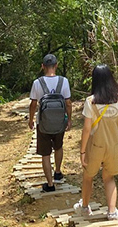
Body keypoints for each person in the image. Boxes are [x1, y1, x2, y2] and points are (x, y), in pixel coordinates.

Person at [73, 64, 118, 220]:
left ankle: (84, 207)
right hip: (114, 146)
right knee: (109, 177)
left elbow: (86, 129)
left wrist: (82, 151)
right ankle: (112, 212)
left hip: (96, 145)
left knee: (88, 176)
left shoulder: (91, 101)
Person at [28, 53, 72, 192]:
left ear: (43, 66)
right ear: (56, 66)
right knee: (58, 147)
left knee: (45, 153)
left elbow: (33, 104)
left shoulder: (37, 83)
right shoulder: (63, 81)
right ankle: (58, 172)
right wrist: (69, 119)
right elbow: (68, 103)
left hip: (43, 123)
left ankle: (50, 184)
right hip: (59, 122)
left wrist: (30, 120)